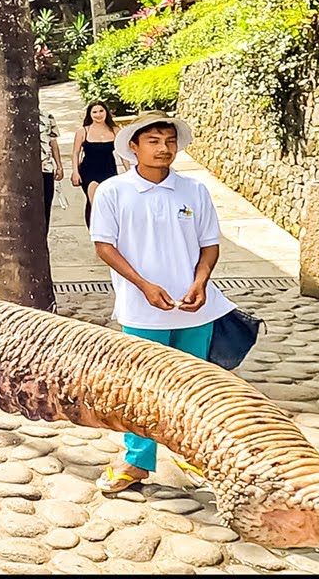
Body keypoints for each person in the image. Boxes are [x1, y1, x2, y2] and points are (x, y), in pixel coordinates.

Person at [89, 110, 236, 494]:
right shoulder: (113, 191)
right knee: (140, 387)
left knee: (193, 385)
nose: (163, 148)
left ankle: (190, 451)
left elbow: (209, 245)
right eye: (153, 141)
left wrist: (201, 283)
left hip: (195, 308)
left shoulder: (194, 191)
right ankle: (137, 461)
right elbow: (105, 246)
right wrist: (143, 285)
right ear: (134, 147)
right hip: (141, 309)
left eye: (169, 141)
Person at [71, 101, 125, 228]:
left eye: (101, 111)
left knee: (109, 203)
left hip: (109, 170)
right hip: (89, 171)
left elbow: (123, 153)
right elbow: (75, 153)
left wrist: (129, 172)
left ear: (106, 112)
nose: (98, 114)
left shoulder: (115, 130)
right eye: (94, 112)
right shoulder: (83, 131)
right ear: (90, 114)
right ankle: (94, 230)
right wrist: (75, 172)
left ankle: (109, 229)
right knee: (94, 202)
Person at [38, 109, 64, 232]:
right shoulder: (16, 117)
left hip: (46, 168)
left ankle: (44, 237)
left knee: (46, 206)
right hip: (24, 171)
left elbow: (53, 143)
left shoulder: (47, 116)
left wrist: (59, 166)